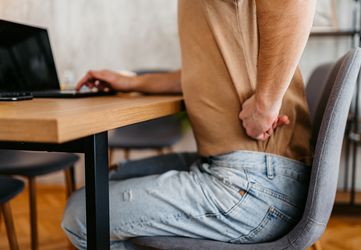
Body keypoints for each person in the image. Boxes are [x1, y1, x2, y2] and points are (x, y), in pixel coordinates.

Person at [62, 0, 316, 249]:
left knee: (82, 217)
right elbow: (198, 74)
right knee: (103, 183)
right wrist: (131, 83)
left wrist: (265, 104)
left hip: (253, 183)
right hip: (235, 168)